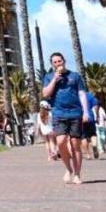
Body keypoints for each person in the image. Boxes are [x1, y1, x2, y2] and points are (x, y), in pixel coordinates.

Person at [41, 51, 89, 186]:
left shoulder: (75, 76)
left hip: (75, 113)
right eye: (55, 62)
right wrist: (55, 80)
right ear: (52, 64)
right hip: (59, 113)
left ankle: (77, 174)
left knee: (75, 145)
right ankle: (68, 169)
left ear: (64, 61)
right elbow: (45, 94)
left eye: (59, 61)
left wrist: (86, 112)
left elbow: (81, 94)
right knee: (61, 142)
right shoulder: (49, 76)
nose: (57, 64)